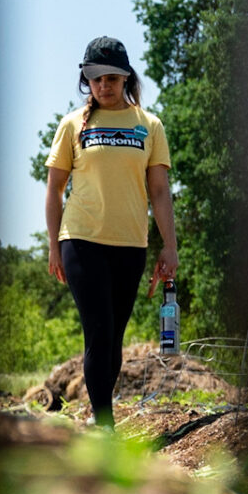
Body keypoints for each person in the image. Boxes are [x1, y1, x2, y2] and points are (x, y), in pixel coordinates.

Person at [43, 36, 176, 428]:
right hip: (81, 240)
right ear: (87, 81)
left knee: (114, 337)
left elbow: (160, 192)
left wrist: (169, 246)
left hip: (130, 244)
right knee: (99, 331)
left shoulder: (149, 126)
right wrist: (53, 245)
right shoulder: (72, 125)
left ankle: (99, 416)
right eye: (96, 78)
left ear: (126, 78)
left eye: (112, 78)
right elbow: (54, 190)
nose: (104, 85)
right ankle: (104, 424)